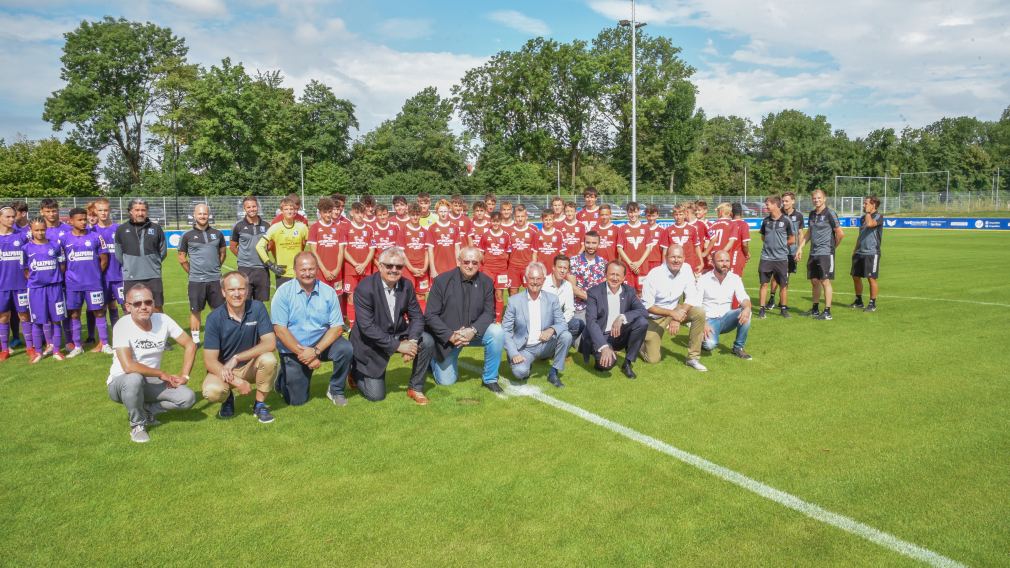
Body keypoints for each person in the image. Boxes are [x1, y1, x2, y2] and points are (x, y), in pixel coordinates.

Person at [106, 284, 197, 443]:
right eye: (137, 303)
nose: (143, 307)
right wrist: (161, 374)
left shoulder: (163, 319)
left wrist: (185, 375)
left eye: (148, 302)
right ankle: (137, 425)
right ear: (128, 307)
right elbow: (128, 366)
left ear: (154, 303)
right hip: (122, 382)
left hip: (150, 380)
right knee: (134, 378)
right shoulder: (122, 325)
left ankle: (147, 410)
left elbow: (190, 344)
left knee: (187, 398)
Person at [349, 247, 435, 405]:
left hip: (397, 332)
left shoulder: (407, 285)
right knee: (376, 396)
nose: (394, 270)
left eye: (399, 267)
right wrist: (398, 346)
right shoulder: (364, 288)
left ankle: (415, 388)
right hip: (370, 341)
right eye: (389, 266)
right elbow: (367, 327)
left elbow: (417, 316)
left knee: (427, 341)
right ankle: (354, 372)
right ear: (380, 266)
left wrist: (413, 343)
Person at [271, 252, 353, 407]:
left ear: (317, 270)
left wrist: (315, 351)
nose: (307, 273)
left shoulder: (328, 292)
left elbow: (336, 328)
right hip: (294, 346)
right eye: (303, 269)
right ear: (295, 270)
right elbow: (280, 330)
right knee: (296, 401)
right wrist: (304, 354)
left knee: (345, 348)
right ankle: (283, 377)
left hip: (321, 344)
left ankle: (336, 390)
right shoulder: (283, 292)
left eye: (311, 269)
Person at [424, 246, 505, 394]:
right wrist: (450, 335)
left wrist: (472, 330)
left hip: (473, 333)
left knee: (497, 332)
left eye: (475, 262)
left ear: (479, 264)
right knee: (446, 382)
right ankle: (432, 360)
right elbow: (430, 315)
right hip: (449, 337)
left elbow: (489, 313)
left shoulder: (486, 282)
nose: (470, 266)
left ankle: (490, 379)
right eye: (466, 262)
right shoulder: (441, 281)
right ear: (459, 261)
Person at [201, 271, 278, 423]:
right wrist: (237, 382)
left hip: (250, 365)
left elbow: (270, 343)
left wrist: (237, 358)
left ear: (247, 290)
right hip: (225, 369)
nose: (237, 294)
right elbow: (210, 361)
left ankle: (260, 404)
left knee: (269, 359)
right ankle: (227, 398)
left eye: (241, 289)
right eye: (231, 290)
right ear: (224, 292)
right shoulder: (214, 318)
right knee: (211, 392)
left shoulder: (258, 308)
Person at [502, 262, 572, 388]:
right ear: (525, 279)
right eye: (532, 278)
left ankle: (554, 372)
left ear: (544, 280)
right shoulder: (514, 301)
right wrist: (513, 353)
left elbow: (562, 323)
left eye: (539, 278)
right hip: (525, 348)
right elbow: (505, 331)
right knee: (520, 373)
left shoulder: (552, 299)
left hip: (546, 345)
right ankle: (524, 363)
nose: (535, 282)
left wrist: (552, 329)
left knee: (566, 336)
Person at [640, 245, 708, 371]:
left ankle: (693, 358)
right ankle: (639, 342)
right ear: (666, 257)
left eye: (679, 257)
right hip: (654, 316)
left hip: (676, 310)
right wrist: (672, 314)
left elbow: (691, 296)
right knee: (652, 360)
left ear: (684, 258)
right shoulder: (654, 275)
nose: (676, 260)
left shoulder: (687, 269)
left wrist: (677, 317)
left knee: (699, 312)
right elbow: (647, 306)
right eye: (672, 257)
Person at [584, 261, 648, 378]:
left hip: (620, 334)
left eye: (618, 275)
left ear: (623, 278)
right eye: (611, 274)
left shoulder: (629, 291)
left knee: (642, 322)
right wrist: (604, 347)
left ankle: (627, 363)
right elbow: (591, 322)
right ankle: (600, 354)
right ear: (606, 275)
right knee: (606, 366)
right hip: (602, 335)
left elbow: (643, 311)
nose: (614, 278)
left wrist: (622, 317)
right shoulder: (594, 293)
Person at [62, 207, 110, 356]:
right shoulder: (64, 239)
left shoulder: (96, 237)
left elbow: (104, 260)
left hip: (93, 283)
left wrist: (94, 275)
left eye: (85, 219)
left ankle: (105, 344)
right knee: (74, 314)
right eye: (80, 219)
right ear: (71, 221)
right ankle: (77, 346)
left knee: (99, 312)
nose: (84, 222)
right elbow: (62, 263)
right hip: (73, 284)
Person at [177, 203, 225, 344]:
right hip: (196, 280)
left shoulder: (217, 234)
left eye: (205, 214)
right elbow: (181, 258)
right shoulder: (187, 235)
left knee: (218, 310)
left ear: (208, 215)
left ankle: (220, 336)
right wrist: (192, 272)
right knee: (195, 310)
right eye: (200, 214)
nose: (203, 216)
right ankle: (196, 339)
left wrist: (216, 267)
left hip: (215, 279)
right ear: (194, 215)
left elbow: (222, 253)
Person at [23, 217, 66, 362]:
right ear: (31, 230)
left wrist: (53, 278)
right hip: (36, 289)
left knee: (56, 320)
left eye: (43, 229)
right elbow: (26, 271)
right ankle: (38, 352)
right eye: (37, 230)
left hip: (54, 288)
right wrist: (38, 280)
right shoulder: (26, 248)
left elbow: (61, 266)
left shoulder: (55, 246)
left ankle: (56, 350)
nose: (40, 232)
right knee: (37, 321)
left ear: (46, 229)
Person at [799, 189, 844, 320]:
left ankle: (827, 312)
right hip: (813, 253)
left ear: (824, 199)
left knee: (825, 281)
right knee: (814, 281)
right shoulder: (812, 214)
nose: (816, 200)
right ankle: (815, 309)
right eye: (814, 198)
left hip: (825, 253)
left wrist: (832, 247)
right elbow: (809, 233)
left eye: (819, 198)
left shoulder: (830, 213)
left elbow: (840, 233)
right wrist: (800, 248)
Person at [115, 198, 167, 309]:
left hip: (153, 276)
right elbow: (118, 254)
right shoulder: (121, 229)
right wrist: (130, 264)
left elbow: (163, 252)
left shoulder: (156, 228)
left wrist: (152, 263)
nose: (140, 213)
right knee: (130, 310)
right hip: (131, 277)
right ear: (130, 211)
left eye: (143, 210)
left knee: (157, 308)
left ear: (147, 211)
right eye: (137, 210)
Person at [699, 251, 753, 360]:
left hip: (726, 319)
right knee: (710, 345)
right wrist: (702, 322)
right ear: (713, 263)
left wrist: (747, 308)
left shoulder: (735, 278)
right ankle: (698, 336)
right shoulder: (703, 279)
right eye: (721, 261)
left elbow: (744, 298)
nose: (725, 264)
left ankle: (738, 348)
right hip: (708, 320)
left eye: (727, 261)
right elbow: (696, 304)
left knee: (747, 311)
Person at [569, 231, 608, 356]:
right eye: (588, 243)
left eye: (594, 243)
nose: (591, 246)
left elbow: (604, 287)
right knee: (582, 345)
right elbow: (573, 288)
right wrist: (592, 300)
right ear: (584, 243)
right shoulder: (574, 261)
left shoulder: (603, 263)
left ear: (598, 244)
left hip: (597, 309)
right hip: (579, 308)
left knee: (599, 341)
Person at [0, 205, 31, 361]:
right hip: (2, 286)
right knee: (3, 317)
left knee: (24, 315)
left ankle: (30, 347)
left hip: (21, 285)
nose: (12, 219)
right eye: (8, 217)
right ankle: (5, 349)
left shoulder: (22, 236)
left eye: (13, 216)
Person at [256, 197, 308, 289]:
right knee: (284, 303)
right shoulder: (275, 228)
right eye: (286, 209)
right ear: (282, 211)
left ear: (295, 210)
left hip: (300, 273)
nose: (289, 211)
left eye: (291, 209)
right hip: (282, 273)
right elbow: (259, 246)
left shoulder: (302, 227)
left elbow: (312, 246)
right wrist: (270, 264)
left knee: (301, 302)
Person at [757, 196, 795, 319]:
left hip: (781, 258)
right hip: (766, 257)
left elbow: (792, 239)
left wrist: (780, 245)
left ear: (775, 205)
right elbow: (763, 237)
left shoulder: (786, 221)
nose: (765, 206)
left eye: (767, 204)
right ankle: (762, 309)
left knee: (783, 285)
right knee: (764, 284)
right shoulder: (765, 221)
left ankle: (783, 309)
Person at [338, 202, 375, 326]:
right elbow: (344, 250)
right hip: (351, 270)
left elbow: (372, 249)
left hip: (365, 269)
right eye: (357, 213)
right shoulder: (345, 228)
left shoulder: (369, 229)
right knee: (351, 297)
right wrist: (355, 264)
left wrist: (364, 264)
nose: (360, 216)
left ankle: (366, 323)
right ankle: (353, 326)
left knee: (367, 297)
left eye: (362, 213)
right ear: (351, 213)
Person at [92, 198, 124, 339]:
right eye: (100, 210)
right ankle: (103, 341)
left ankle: (124, 336)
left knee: (126, 307)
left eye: (106, 210)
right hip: (101, 279)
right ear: (95, 211)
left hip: (119, 276)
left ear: (109, 210)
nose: (103, 213)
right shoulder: (92, 231)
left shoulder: (119, 229)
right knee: (102, 308)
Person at [231, 196, 271, 301]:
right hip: (245, 268)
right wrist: (244, 257)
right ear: (244, 209)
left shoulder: (267, 225)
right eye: (248, 207)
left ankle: (257, 318)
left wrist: (263, 255)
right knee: (245, 301)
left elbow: (270, 245)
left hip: (262, 268)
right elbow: (233, 246)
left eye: (254, 206)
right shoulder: (238, 226)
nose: (251, 209)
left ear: (257, 207)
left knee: (260, 303)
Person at [768, 191, 804, 309]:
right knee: (775, 275)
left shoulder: (798, 215)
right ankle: (772, 298)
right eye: (783, 201)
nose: (784, 203)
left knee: (786, 276)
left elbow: (800, 233)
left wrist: (800, 249)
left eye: (787, 201)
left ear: (793, 201)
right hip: (778, 252)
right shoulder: (778, 213)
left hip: (792, 251)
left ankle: (782, 302)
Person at [850, 195, 883, 312]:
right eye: (864, 203)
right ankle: (859, 301)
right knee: (855, 276)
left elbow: (870, 224)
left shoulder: (879, 216)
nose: (863, 205)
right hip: (860, 251)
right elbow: (861, 235)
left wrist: (868, 213)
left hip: (872, 252)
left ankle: (872, 303)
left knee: (871, 278)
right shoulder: (863, 217)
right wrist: (855, 249)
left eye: (866, 203)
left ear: (873, 205)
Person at [542, 254, 584, 346]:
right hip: (542, 321)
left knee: (578, 324)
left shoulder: (568, 285)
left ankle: (561, 346)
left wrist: (557, 325)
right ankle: (548, 346)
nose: (562, 270)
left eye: (565, 268)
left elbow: (570, 310)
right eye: (559, 267)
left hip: (559, 320)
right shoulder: (543, 283)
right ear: (553, 267)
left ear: (568, 270)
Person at [478, 212, 511, 322]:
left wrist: (502, 262)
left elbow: (508, 253)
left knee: (499, 294)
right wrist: (484, 266)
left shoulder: (506, 236)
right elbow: (481, 253)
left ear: (501, 221)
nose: (495, 223)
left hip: (501, 270)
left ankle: (498, 320)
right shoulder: (485, 235)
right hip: (488, 269)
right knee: (486, 294)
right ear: (490, 221)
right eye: (494, 221)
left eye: (498, 221)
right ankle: (486, 317)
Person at [398, 203, 431, 310]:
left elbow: (427, 251)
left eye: (417, 214)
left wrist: (425, 268)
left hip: (422, 269)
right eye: (413, 215)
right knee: (408, 294)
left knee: (421, 295)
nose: (415, 217)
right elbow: (401, 253)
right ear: (409, 214)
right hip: (408, 269)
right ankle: (408, 320)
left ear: (420, 215)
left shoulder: (425, 232)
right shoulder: (403, 230)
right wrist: (412, 269)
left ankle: (421, 320)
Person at [307, 197, 343, 293]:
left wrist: (337, 269)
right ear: (320, 212)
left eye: (330, 211)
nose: (328, 214)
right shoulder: (314, 228)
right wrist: (324, 270)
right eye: (325, 212)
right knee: (321, 298)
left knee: (337, 298)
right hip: (321, 272)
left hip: (336, 272)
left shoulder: (339, 228)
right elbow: (313, 252)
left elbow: (341, 251)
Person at [617, 202, 651, 293]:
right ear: (627, 213)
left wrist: (639, 262)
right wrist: (630, 264)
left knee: (642, 292)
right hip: (628, 267)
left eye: (635, 212)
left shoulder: (646, 228)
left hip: (642, 267)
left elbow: (649, 248)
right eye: (630, 212)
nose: (633, 215)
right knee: (628, 292)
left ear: (639, 212)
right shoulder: (622, 229)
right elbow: (619, 248)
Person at [506, 204, 539, 295]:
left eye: (522, 216)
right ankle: (514, 309)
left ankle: (528, 309)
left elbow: (534, 252)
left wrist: (533, 267)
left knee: (530, 291)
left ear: (526, 217)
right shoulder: (509, 232)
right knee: (513, 291)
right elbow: (507, 253)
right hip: (513, 267)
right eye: (518, 216)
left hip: (527, 267)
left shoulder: (532, 232)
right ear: (514, 217)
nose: (520, 219)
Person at [427, 199, 461, 280]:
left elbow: (457, 249)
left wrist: (459, 265)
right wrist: (432, 268)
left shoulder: (454, 227)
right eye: (441, 211)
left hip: (452, 267)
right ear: (437, 212)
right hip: (438, 267)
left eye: (445, 211)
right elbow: (430, 250)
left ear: (449, 211)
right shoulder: (432, 228)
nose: (443, 214)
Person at [667, 205, 704, 274]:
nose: (678, 217)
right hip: (675, 263)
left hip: (690, 263)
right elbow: (665, 250)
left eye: (681, 214)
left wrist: (701, 262)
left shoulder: (692, 229)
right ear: (673, 215)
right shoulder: (668, 230)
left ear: (685, 215)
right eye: (676, 215)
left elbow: (697, 246)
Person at [535, 210, 564, 274]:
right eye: (546, 220)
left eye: (550, 220)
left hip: (554, 267)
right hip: (541, 268)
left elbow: (561, 252)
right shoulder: (537, 234)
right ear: (542, 220)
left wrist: (562, 266)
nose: (548, 222)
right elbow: (535, 253)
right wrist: (534, 266)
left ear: (554, 220)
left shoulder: (558, 234)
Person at [729, 202, 751, 276]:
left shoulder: (727, 224)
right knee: (735, 279)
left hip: (725, 255)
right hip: (736, 255)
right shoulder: (743, 224)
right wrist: (747, 254)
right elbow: (744, 244)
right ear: (741, 212)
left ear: (731, 213)